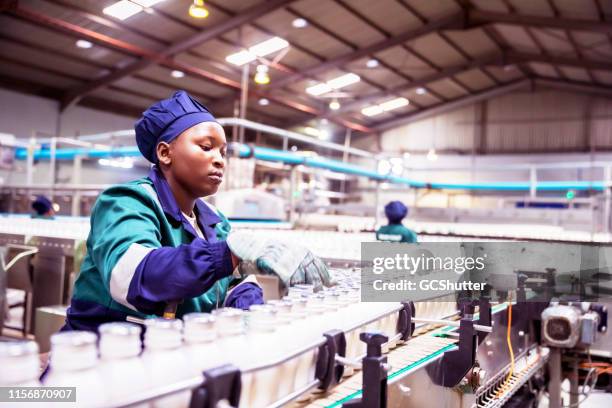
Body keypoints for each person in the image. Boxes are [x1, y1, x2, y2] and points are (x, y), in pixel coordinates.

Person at [64, 90, 331, 332]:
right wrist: (231, 252)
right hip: (102, 356)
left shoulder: (215, 222)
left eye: (223, 152)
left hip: (174, 357)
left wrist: (250, 314)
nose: (219, 160)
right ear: (165, 153)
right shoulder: (126, 201)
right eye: (206, 147)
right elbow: (136, 276)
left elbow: (235, 283)